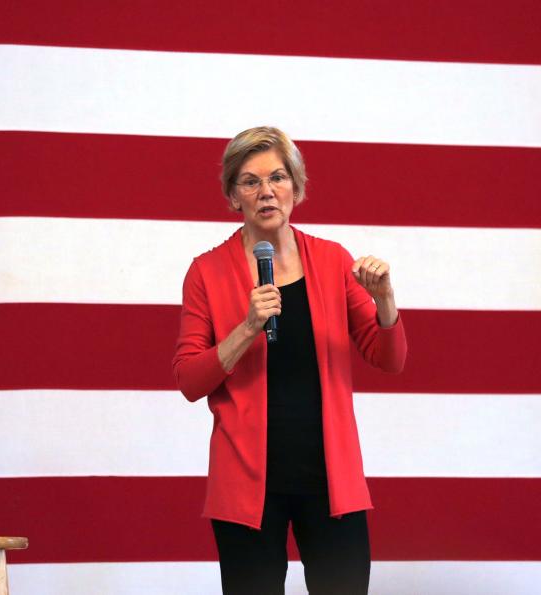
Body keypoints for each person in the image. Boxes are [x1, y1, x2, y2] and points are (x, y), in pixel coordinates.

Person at [172, 126, 407, 595]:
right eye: (250, 181)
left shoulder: (333, 260)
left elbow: (390, 358)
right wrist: (246, 328)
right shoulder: (207, 271)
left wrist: (385, 302)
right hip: (247, 486)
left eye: (278, 178)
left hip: (330, 479)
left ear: (296, 188)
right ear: (233, 196)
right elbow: (189, 379)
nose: (266, 192)